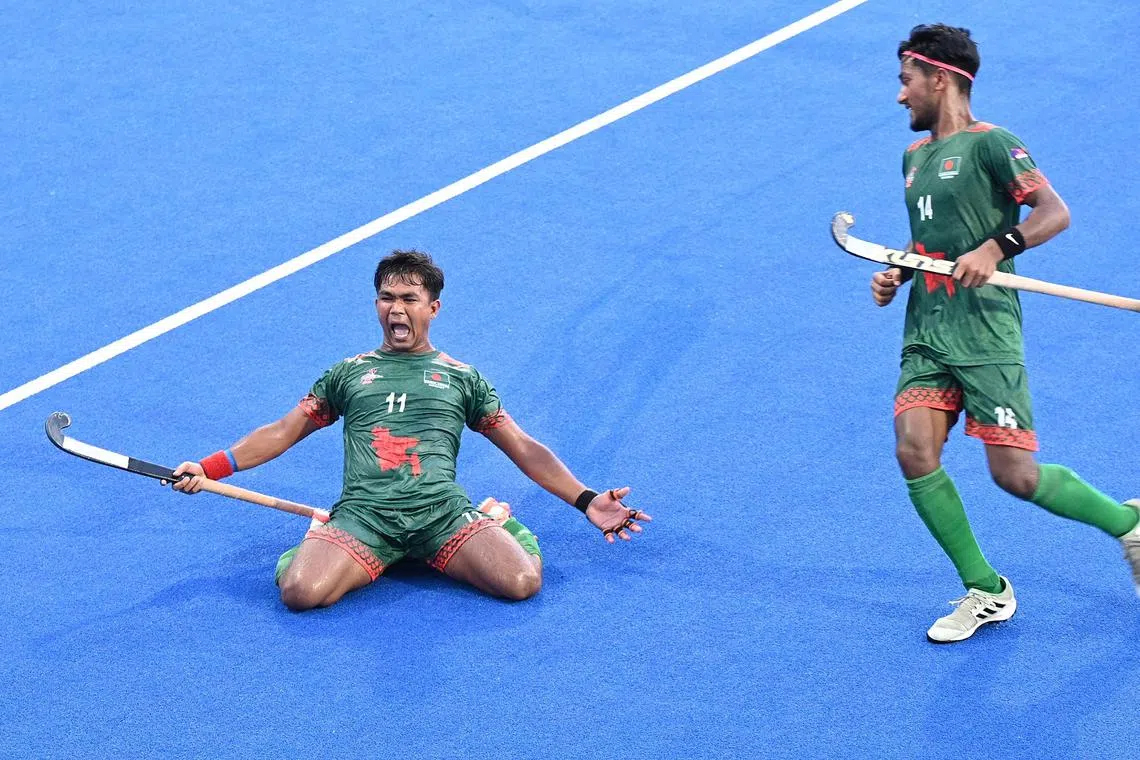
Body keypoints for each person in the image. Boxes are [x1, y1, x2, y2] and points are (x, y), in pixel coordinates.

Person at [170, 250, 650, 610]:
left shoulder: (462, 378)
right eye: (387, 298)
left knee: (522, 584)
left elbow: (523, 448)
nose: (396, 308)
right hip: (366, 516)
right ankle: (322, 538)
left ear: (432, 308)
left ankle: (499, 522)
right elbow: (281, 431)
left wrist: (587, 500)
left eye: (408, 299)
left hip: (440, 515)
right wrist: (210, 469)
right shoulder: (349, 373)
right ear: (376, 304)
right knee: (300, 593)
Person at [873, 23, 1140, 642]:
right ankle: (986, 590)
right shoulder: (913, 157)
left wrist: (997, 247)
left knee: (1015, 476)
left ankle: (1128, 525)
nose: (900, 95)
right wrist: (899, 271)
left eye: (907, 81)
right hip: (927, 329)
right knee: (914, 451)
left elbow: (1054, 212)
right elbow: (930, 237)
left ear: (941, 79)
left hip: (985, 333)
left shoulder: (994, 144)